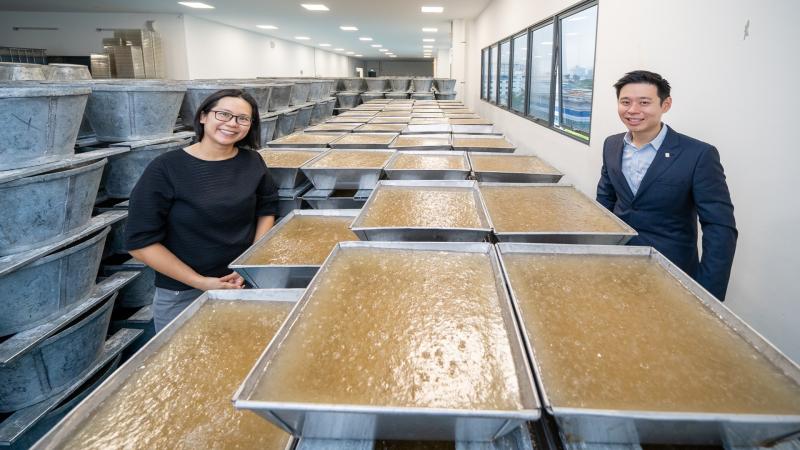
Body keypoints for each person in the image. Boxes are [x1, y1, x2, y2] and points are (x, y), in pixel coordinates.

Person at [126, 89, 278, 330]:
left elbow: (266, 210)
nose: (232, 123)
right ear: (203, 116)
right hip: (183, 292)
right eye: (223, 114)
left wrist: (250, 265)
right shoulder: (166, 168)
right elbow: (140, 242)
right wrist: (200, 282)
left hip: (242, 282)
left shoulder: (252, 161)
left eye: (243, 118)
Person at [596, 70, 737, 300]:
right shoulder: (611, 145)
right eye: (625, 102)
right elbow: (605, 199)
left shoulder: (698, 154)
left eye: (644, 102)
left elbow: (719, 226)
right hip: (615, 262)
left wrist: (707, 294)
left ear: (666, 104)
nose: (633, 110)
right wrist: (595, 250)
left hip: (671, 270)